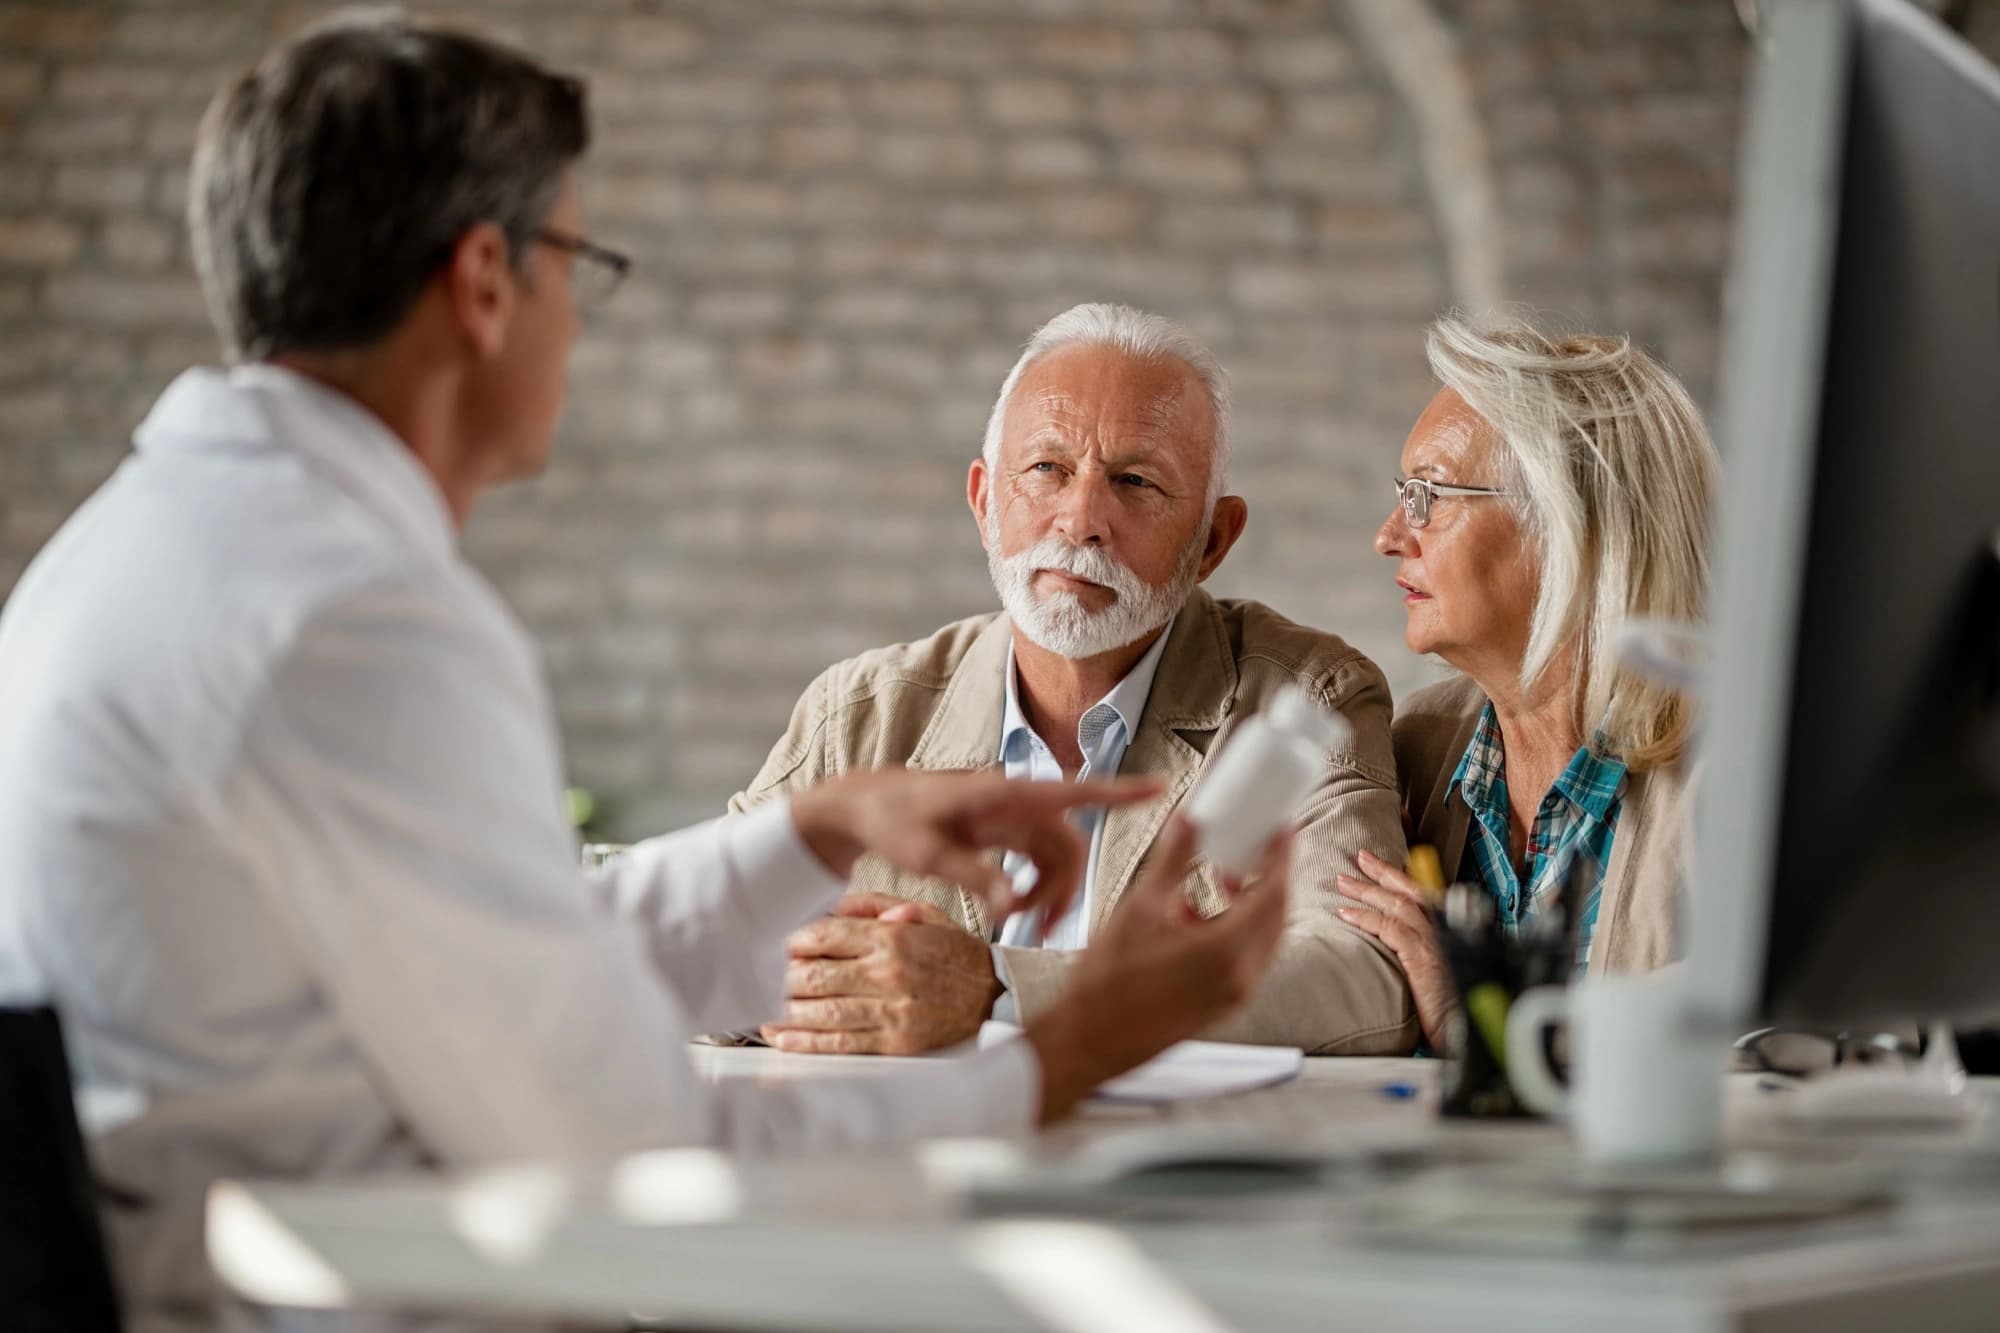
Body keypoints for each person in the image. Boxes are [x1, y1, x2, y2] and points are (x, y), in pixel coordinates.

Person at [0, 18, 1295, 1328]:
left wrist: (816, 831)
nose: (579, 317)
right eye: (580, 261)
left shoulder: (153, 548)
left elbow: (511, 967)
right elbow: (644, 1166)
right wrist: (1069, 1051)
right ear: (486, 282)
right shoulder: (354, 621)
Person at [733, 302, 1419, 1058]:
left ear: (1212, 541)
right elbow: (693, 946)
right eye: (1046, 469)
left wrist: (998, 989)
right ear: (985, 501)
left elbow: (1364, 982)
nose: (1081, 517)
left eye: (1134, 481)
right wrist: (813, 990)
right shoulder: (860, 712)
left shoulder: (1305, 702)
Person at [1337, 315, 1719, 1054]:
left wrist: (1488, 1030)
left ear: (1568, 527)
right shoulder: (1413, 748)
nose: (1388, 534)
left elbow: (1772, 1029)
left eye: (1429, 495)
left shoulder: (1735, 775)